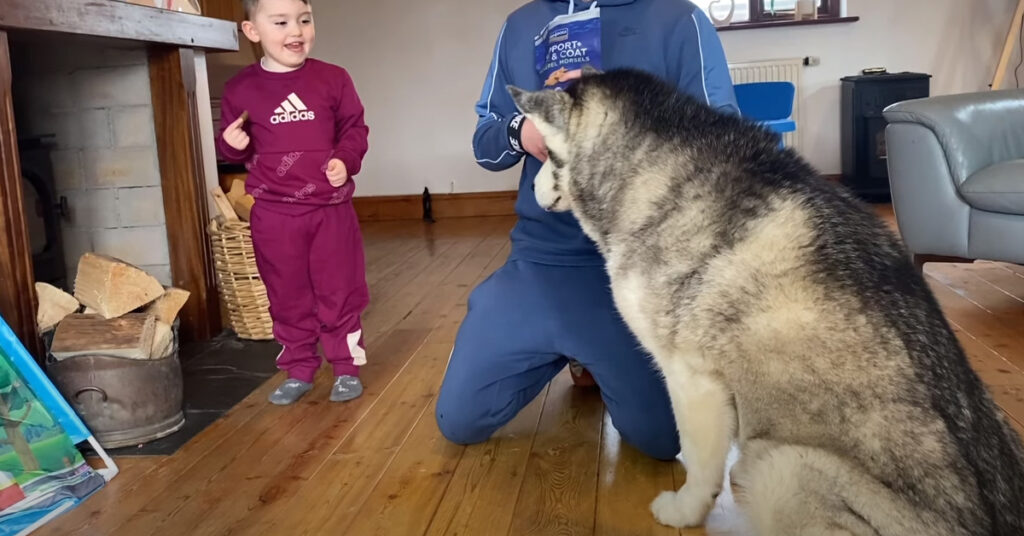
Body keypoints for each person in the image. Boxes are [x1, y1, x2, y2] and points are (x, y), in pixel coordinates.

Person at [435, 0, 739, 460]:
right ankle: (561, 346)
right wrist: (524, 131)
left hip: (633, 269)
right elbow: (486, 143)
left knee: (661, 440)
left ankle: (594, 354)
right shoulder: (521, 25)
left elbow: (725, 146)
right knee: (458, 421)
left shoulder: (680, 20)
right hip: (541, 261)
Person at [216, 0, 371, 405]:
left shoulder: (333, 79)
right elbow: (232, 145)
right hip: (274, 214)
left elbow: (354, 129)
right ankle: (299, 367)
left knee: (339, 288)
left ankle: (345, 366)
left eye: (304, 20)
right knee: (286, 293)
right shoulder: (240, 89)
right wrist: (230, 145)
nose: (296, 31)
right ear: (252, 31)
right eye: (281, 22)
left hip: (330, 209)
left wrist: (344, 160)